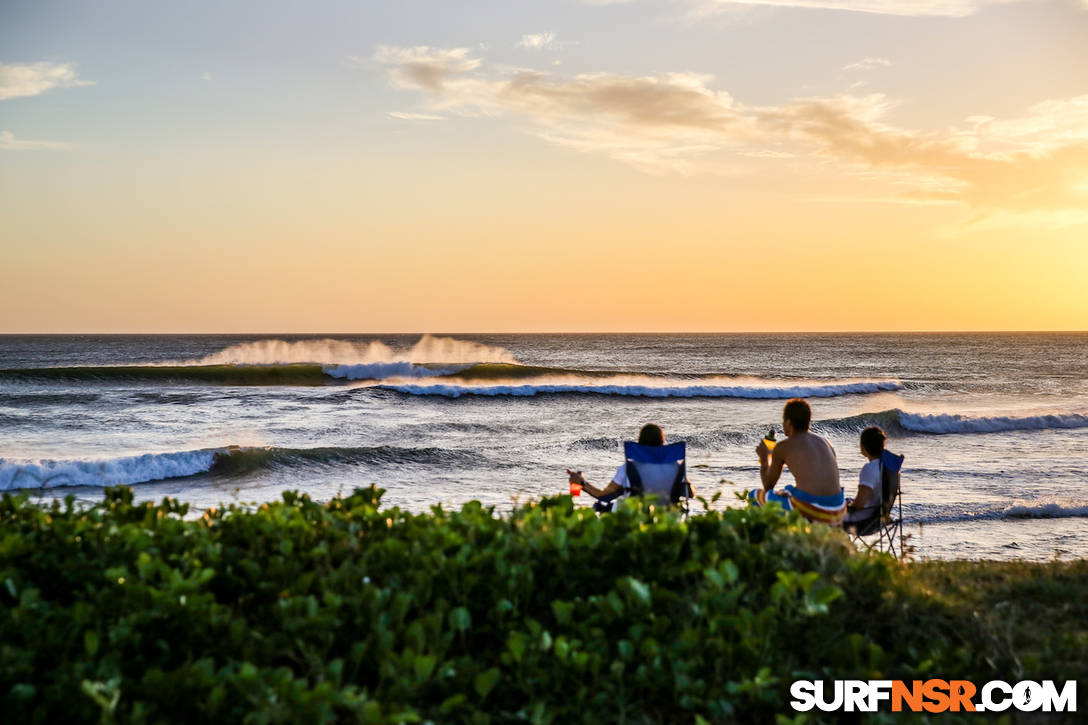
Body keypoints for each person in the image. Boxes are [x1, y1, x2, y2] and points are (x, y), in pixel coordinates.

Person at [747, 399, 846, 524]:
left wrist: (764, 459)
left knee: (755, 495)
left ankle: (768, 540)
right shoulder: (825, 442)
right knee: (786, 493)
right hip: (838, 509)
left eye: (784, 422)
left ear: (788, 422)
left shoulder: (784, 446)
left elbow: (768, 487)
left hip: (814, 509)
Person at [567, 423, 664, 500]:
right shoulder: (675, 467)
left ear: (640, 444)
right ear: (662, 443)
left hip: (636, 519)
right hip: (668, 519)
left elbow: (604, 496)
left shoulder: (628, 469)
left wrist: (582, 483)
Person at [844, 426, 886, 525]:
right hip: (879, 517)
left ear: (863, 446)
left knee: (826, 514)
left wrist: (847, 506)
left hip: (864, 520)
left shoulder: (869, 468)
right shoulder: (887, 467)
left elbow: (859, 505)